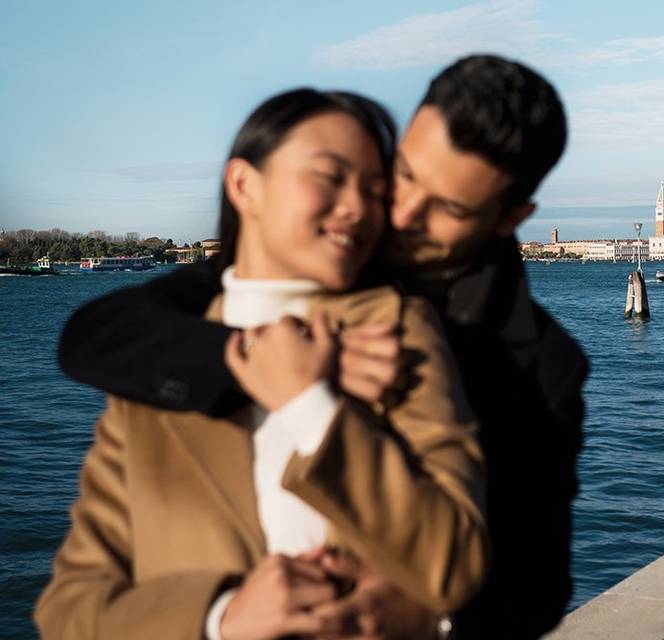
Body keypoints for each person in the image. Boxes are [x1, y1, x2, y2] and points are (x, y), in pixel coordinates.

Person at [58, 54, 588, 639]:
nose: (402, 213)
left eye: (450, 208)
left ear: (511, 217)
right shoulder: (295, 262)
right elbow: (97, 332)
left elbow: (539, 585)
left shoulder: (543, 366)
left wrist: (428, 615)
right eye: (404, 175)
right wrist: (264, 361)